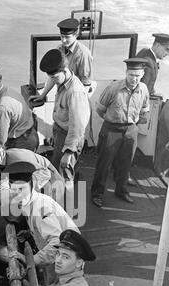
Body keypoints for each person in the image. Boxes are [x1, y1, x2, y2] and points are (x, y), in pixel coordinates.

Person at [91, 58, 150, 208]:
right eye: (131, 75)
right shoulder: (113, 88)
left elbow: (144, 110)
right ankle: (97, 193)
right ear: (126, 73)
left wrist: (133, 122)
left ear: (142, 74)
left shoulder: (143, 89)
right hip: (111, 129)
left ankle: (121, 190)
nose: (134, 79)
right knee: (104, 163)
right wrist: (112, 122)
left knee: (126, 163)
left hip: (131, 130)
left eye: (137, 75)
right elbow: (100, 109)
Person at [37, 49, 90, 209]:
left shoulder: (75, 92)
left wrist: (68, 152)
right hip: (61, 132)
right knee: (58, 170)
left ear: (65, 70)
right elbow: (53, 80)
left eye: (54, 76)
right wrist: (42, 94)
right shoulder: (62, 80)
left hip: (70, 138)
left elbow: (77, 127)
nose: (52, 80)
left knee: (63, 175)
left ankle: (64, 209)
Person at [0, 133, 65, 205]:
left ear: (1, 150)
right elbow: (3, 190)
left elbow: (45, 173)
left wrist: (21, 191)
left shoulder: (17, 157)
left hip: (51, 180)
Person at [0, 64, 39, 151]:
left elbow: (1, 140)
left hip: (22, 143)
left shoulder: (2, 107)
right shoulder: (7, 90)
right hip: (30, 133)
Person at [29, 18, 93, 105]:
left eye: (67, 37)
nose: (63, 40)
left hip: (75, 99)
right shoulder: (59, 49)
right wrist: (43, 95)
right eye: (62, 36)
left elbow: (86, 84)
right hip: (61, 96)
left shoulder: (83, 54)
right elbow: (54, 77)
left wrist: (76, 104)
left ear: (76, 35)